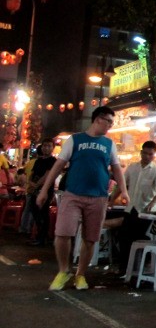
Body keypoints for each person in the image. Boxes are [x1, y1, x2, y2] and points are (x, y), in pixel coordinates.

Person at [36, 106, 129, 291]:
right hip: (72, 194)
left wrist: (124, 191)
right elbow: (57, 166)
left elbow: (117, 169)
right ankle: (64, 270)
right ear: (97, 119)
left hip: (99, 197)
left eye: (112, 122)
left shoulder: (109, 144)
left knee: (90, 238)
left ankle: (80, 275)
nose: (110, 125)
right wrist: (44, 189)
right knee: (62, 234)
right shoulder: (74, 140)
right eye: (108, 121)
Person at [109, 141, 156, 271]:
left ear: (154, 155)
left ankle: (137, 267)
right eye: (145, 153)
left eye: (150, 154)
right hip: (130, 208)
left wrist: (153, 202)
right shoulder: (132, 167)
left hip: (146, 211)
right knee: (123, 237)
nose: (147, 156)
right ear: (141, 153)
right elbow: (121, 185)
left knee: (137, 237)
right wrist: (112, 199)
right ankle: (124, 267)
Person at [25, 139, 57, 246]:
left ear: (53, 148)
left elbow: (47, 175)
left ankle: (42, 238)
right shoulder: (38, 160)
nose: (46, 148)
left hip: (45, 190)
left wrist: (36, 185)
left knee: (43, 213)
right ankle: (41, 235)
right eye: (44, 146)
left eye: (48, 146)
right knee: (34, 211)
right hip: (34, 189)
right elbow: (32, 173)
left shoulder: (53, 160)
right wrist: (30, 182)